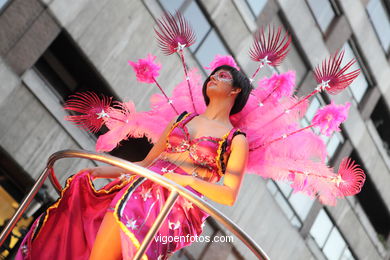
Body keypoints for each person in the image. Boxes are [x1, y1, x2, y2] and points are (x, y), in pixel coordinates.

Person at [16, 65, 252, 260]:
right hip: (140, 188)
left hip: (177, 206)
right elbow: (147, 162)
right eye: (213, 73)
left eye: (223, 76)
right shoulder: (182, 119)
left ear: (236, 90)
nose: (213, 77)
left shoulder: (236, 140)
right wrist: (100, 171)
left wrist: (183, 180)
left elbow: (228, 195)